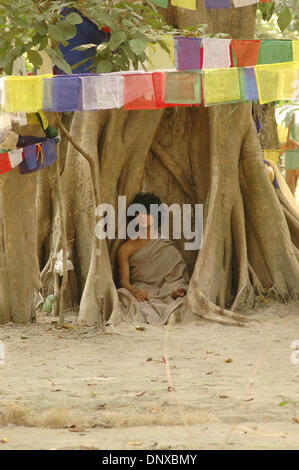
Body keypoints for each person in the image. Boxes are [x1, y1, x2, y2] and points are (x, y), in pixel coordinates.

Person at [115, 192, 190, 325]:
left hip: (165, 289)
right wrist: (135, 291)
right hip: (141, 289)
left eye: (148, 213)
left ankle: (172, 296)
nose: (143, 217)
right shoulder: (125, 249)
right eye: (139, 212)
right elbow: (124, 281)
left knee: (180, 297)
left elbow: (178, 277)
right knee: (122, 294)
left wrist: (177, 290)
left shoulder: (163, 244)